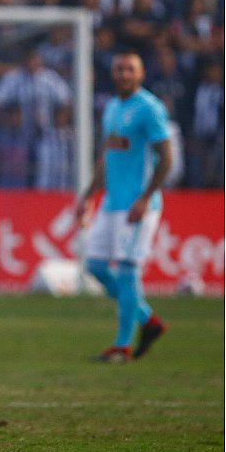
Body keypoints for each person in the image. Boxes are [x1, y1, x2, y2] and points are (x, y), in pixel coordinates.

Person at [74, 52, 172, 363]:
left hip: (137, 205)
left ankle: (121, 346)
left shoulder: (150, 108)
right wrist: (89, 194)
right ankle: (148, 321)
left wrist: (145, 198)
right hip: (111, 203)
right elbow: (108, 156)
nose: (123, 74)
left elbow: (166, 157)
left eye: (130, 69)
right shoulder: (112, 107)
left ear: (141, 74)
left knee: (128, 272)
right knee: (95, 266)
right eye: (119, 69)